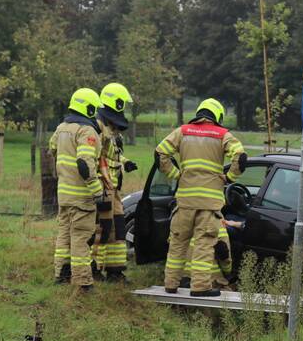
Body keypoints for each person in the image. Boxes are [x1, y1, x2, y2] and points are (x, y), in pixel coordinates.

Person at [156, 98, 245, 297]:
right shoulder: (223, 135)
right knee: (204, 244)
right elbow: (241, 157)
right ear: (218, 116)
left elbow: (160, 153)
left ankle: (170, 284)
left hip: (184, 201)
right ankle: (200, 287)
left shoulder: (182, 131)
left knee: (178, 244)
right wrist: (229, 177)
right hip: (209, 204)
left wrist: (176, 175)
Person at [50, 88, 104, 291]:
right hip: (81, 197)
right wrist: (97, 190)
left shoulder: (61, 128)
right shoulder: (86, 131)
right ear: (88, 108)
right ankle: (83, 282)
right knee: (81, 237)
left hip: (64, 194)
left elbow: (52, 149)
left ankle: (61, 274)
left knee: (64, 235)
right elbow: (84, 162)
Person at [93, 82, 137, 283]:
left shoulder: (111, 128)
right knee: (101, 229)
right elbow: (95, 157)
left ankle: (115, 271)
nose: (123, 107)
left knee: (118, 228)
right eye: (122, 102)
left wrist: (125, 163)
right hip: (103, 187)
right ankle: (93, 268)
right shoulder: (98, 127)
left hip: (114, 189)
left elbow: (112, 155)